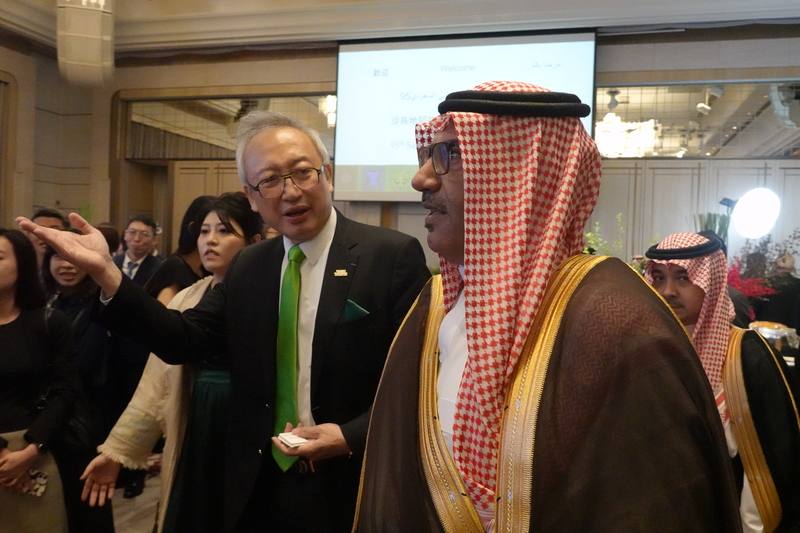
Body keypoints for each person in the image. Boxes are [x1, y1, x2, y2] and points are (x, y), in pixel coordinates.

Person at [353, 81, 740, 532]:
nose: (421, 180)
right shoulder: (435, 304)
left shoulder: (617, 322)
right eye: (427, 156)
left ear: (519, 172)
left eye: (447, 156)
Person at [18, 111, 431, 532]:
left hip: (353, 476)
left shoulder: (390, 256)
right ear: (251, 197)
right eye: (269, 180)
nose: (290, 192)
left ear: (326, 174)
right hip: (257, 479)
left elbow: (418, 378)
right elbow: (185, 339)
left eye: (302, 172)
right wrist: (108, 273)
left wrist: (350, 436)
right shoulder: (252, 265)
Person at [81, 192, 262, 533]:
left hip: (246, 424)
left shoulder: (270, 297)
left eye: (224, 231)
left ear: (254, 242)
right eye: (204, 231)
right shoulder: (188, 296)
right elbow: (156, 386)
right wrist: (118, 451)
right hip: (196, 419)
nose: (210, 240)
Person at [646, 231, 800, 533]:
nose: (668, 291)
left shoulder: (747, 354)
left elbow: (774, 458)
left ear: (711, 282)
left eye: (683, 278)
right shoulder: (648, 350)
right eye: (659, 278)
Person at [0, 229, 75, 533]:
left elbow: (65, 390)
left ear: (23, 265)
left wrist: (30, 451)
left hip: (34, 453)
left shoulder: (48, 322)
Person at [41, 238, 115, 533]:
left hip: (83, 424)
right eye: (58, 257)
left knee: (85, 509)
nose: (67, 265)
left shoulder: (100, 305)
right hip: (44, 421)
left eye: (74, 257)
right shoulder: (43, 302)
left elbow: (85, 365)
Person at [144, 195, 215, 305]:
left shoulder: (206, 269)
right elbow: (164, 315)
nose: (214, 238)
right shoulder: (175, 267)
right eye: (206, 230)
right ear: (193, 228)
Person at [115, 215, 163, 286]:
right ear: (125, 235)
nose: (137, 239)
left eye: (144, 234)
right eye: (132, 232)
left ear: (154, 240)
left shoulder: (159, 269)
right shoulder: (112, 263)